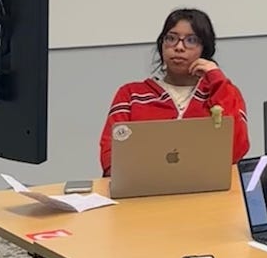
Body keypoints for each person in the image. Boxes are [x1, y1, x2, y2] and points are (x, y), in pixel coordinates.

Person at [98, 9, 249, 176]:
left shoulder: (224, 91)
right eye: (171, 38)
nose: (178, 47)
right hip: (143, 190)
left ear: (204, 50)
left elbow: (236, 151)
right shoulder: (131, 95)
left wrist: (217, 80)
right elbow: (111, 155)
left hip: (207, 190)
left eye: (191, 40)